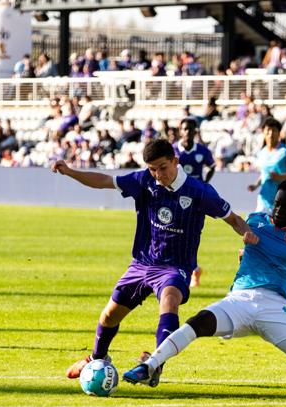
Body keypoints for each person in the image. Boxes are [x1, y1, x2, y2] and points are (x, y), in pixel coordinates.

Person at [52, 139, 259, 387]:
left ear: (175, 160)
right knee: (108, 317)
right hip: (141, 263)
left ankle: (155, 365)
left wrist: (247, 234)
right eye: (152, 169)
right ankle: (97, 357)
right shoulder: (144, 181)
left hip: (175, 266)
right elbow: (105, 181)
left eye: (162, 167)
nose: (158, 175)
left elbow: (234, 219)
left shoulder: (200, 192)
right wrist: (70, 171)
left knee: (170, 299)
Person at [123, 180, 286, 387]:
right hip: (240, 300)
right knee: (199, 322)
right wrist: (245, 254)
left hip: (275, 306)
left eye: (285, 206)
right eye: (276, 203)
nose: (278, 209)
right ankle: (149, 367)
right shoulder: (255, 220)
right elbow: (247, 246)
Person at [174, 117, 216, 288]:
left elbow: (212, 165)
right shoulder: (173, 150)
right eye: (185, 129)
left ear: (195, 131)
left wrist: (205, 182)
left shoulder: (202, 151)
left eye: (191, 129)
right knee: (176, 232)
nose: (187, 132)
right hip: (177, 196)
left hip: (197, 196)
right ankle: (192, 268)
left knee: (192, 233)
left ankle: (191, 269)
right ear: (180, 131)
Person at [248, 118, 286, 213]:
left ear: (279, 133)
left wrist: (281, 177)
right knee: (256, 224)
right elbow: (265, 173)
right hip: (264, 197)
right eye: (268, 130)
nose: (271, 133)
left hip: (282, 198)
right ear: (263, 132)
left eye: (274, 130)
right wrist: (255, 185)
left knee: (277, 227)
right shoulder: (262, 152)